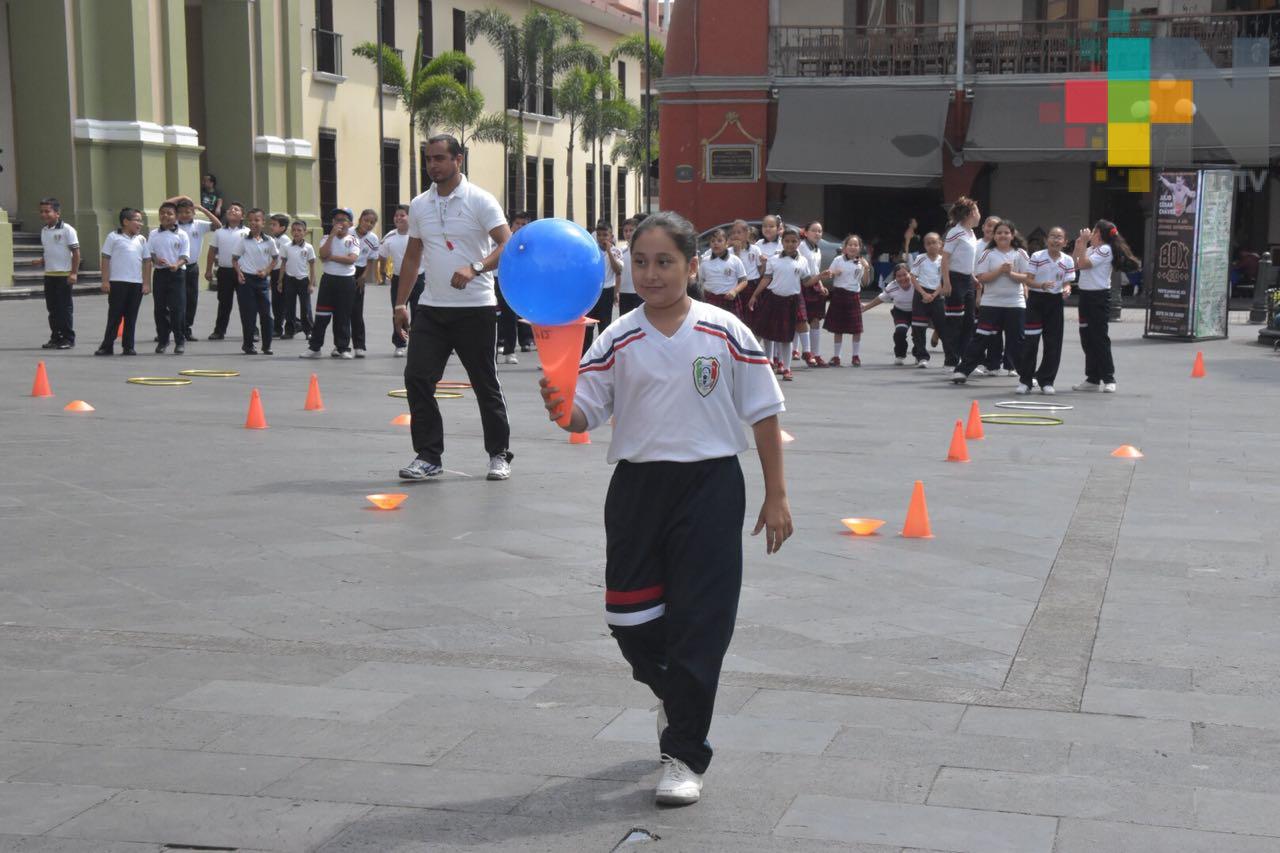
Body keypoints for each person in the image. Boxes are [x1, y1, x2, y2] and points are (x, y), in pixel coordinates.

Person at [538, 210, 791, 807]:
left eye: (665, 262)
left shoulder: (725, 331)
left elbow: (763, 413)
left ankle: (684, 754)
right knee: (628, 620)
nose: (651, 274)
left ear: (692, 265)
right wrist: (559, 405)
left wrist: (776, 495)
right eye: (642, 262)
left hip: (710, 487)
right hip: (637, 489)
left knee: (703, 624)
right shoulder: (618, 334)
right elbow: (585, 412)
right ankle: (676, 697)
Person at [393, 133, 514, 482]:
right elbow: (414, 254)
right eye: (429, 158)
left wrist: (475, 267)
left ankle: (498, 454)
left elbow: (508, 244)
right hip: (432, 307)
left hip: (476, 307)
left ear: (458, 160)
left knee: (484, 381)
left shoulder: (480, 200)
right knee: (416, 377)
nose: (433, 165)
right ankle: (429, 455)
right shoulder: (419, 204)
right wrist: (401, 302)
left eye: (439, 158)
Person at [951, 219, 1030, 385]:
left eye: (1006, 233)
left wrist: (1011, 274)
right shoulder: (988, 253)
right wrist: (1000, 270)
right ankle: (962, 371)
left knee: (1017, 340)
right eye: (999, 233)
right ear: (994, 236)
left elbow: (1029, 277)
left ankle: (1027, 376)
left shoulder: (1020, 253)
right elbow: (981, 278)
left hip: (1015, 304)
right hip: (991, 303)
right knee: (981, 337)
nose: (1003, 235)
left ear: (1012, 235)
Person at [1072, 219, 1136, 393]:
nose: (1090, 233)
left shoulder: (1105, 249)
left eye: (1093, 230)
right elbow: (1077, 264)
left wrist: (1084, 243)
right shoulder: (1092, 249)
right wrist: (1080, 245)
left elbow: (1085, 264)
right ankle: (1092, 378)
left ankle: (1109, 377)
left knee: (1099, 337)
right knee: (1086, 336)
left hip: (1098, 297)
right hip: (1085, 295)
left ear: (1099, 233)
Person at [748, 227, 813, 381]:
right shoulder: (774, 259)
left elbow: (807, 281)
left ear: (799, 243)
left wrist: (821, 278)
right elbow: (766, 278)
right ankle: (756, 362)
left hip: (791, 301)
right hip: (772, 299)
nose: (790, 244)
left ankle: (787, 368)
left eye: (794, 241)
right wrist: (754, 295)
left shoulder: (802, 261)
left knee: (786, 337)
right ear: (782, 242)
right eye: (787, 241)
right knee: (762, 331)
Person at [1020, 226, 1074, 395]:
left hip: (1055, 302)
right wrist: (1041, 285)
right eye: (1052, 236)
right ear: (1046, 240)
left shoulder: (1068, 260)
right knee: (1031, 342)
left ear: (1064, 242)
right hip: (1036, 301)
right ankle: (1025, 381)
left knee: (1053, 343)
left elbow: (1067, 282)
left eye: (1059, 237)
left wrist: (1067, 289)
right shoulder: (1037, 256)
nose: (1055, 240)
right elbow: (1028, 281)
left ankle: (1047, 380)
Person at [301, 208, 360, 359]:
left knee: (343, 316)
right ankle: (315, 348)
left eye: (343, 220)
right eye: (337, 220)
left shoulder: (353, 240)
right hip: (328, 280)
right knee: (322, 315)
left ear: (350, 223)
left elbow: (351, 260)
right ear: (333, 223)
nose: (340, 223)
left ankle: (342, 348)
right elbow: (322, 254)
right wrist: (332, 236)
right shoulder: (326, 238)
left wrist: (331, 257)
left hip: (346, 281)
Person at [94, 208, 150, 356]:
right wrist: (105, 281)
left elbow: (147, 262)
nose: (140, 223)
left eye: (141, 220)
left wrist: (146, 283)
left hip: (136, 283)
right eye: (137, 220)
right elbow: (105, 259)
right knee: (115, 315)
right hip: (117, 282)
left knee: (131, 316)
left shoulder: (141, 239)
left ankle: (128, 346)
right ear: (125, 222)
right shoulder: (113, 237)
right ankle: (107, 345)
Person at [172, 196, 220, 343]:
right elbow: (166, 204)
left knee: (191, 299)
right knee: (174, 300)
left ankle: (187, 329)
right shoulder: (173, 225)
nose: (184, 215)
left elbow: (218, 225)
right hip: (176, 267)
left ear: (193, 213)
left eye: (188, 212)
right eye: (181, 212)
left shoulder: (199, 225)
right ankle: (170, 329)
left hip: (192, 267)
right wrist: (181, 198)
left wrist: (203, 209)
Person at [940, 196, 982, 367]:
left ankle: (964, 362)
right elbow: (945, 259)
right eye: (977, 211)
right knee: (954, 322)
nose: (980, 215)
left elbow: (965, 260)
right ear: (970, 213)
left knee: (969, 322)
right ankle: (950, 361)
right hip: (955, 279)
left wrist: (973, 278)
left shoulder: (971, 233)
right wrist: (947, 282)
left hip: (967, 281)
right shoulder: (955, 232)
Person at [33, 197, 80, 349]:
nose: (44, 214)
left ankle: (68, 338)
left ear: (57, 213)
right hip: (50, 275)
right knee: (52, 309)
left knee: (64, 308)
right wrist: (42, 260)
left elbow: (76, 252)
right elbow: (52, 250)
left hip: (64, 275)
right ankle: (56, 337)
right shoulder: (44, 230)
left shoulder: (68, 230)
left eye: (48, 211)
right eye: (41, 211)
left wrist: (73, 273)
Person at [231, 208, 279, 355]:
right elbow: (234, 259)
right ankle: (248, 344)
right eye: (251, 220)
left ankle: (267, 345)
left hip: (262, 280)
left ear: (263, 222)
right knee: (248, 314)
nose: (253, 223)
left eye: (257, 220)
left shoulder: (269, 241)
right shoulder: (243, 240)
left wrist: (266, 271)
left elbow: (275, 258)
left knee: (266, 314)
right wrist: (239, 273)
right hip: (247, 280)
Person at [380, 204, 425, 357]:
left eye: (402, 215)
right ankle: (400, 343)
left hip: (419, 277)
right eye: (396, 215)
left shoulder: (418, 235)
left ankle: (418, 343)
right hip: (398, 279)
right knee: (398, 310)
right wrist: (387, 273)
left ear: (410, 218)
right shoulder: (390, 237)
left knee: (419, 311)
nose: (398, 218)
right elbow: (383, 256)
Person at [148, 200, 192, 355]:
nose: (165, 216)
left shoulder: (182, 234)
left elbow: (185, 256)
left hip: (177, 274)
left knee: (177, 308)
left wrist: (177, 265)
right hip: (160, 274)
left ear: (176, 217)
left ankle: (180, 340)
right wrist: (155, 260)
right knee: (159, 309)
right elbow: (150, 253)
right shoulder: (153, 233)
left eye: (169, 213)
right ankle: (163, 340)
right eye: (162, 213)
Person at [820, 234, 870, 366]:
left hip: (853, 296)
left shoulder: (861, 263)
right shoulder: (838, 260)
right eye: (850, 244)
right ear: (844, 247)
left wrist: (866, 268)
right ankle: (836, 356)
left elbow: (865, 282)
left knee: (857, 329)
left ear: (859, 248)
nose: (853, 247)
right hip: (839, 295)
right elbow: (828, 274)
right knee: (838, 329)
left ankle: (855, 356)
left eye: (856, 245)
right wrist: (835, 273)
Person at [206, 202, 248, 340]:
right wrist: (208, 270)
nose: (232, 211)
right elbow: (212, 251)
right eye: (230, 209)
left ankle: (252, 330)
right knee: (224, 303)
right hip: (224, 272)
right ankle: (219, 331)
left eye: (236, 209)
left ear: (242, 216)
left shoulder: (247, 232)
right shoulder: (219, 232)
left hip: (243, 272)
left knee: (246, 303)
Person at [496, 210, 533, 363]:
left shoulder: (530, 243)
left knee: (511, 316)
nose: (520, 227)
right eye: (517, 223)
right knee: (495, 316)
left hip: (515, 283)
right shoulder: (504, 239)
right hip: (496, 279)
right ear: (511, 226)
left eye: (524, 224)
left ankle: (510, 352)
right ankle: (498, 344)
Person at [861, 263, 916, 364]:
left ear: (910, 274)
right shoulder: (892, 287)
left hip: (917, 311)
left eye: (905, 275)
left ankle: (919, 355)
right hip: (900, 312)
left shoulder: (917, 283)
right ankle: (900, 355)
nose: (902, 278)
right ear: (895, 278)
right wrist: (866, 307)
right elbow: (880, 299)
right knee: (900, 332)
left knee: (918, 333)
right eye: (899, 276)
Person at [585, 219, 624, 351]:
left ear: (611, 236)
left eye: (605, 235)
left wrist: (609, 252)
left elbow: (618, 270)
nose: (602, 238)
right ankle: (585, 354)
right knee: (588, 325)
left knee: (604, 326)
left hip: (607, 291)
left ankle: (603, 354)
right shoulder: (591, 250)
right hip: (592, 291)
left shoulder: (616, 252)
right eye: (599, 235)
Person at [909, 232, 946, 367]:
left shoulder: (943, 260)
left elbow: (944, 280)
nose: (932, 245)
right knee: (918, 327)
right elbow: (913, 277)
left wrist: (935, 294)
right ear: (924, 246)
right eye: (928, 243)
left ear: (940, 244)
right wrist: (924, 294)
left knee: (942, 326)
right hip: (921, 293)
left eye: (934, 242)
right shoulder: (920, 258)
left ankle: (951, 357)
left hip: (937, 295)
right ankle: (922, 357)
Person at [697, 228, 748, 316]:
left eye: (719, 241)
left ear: (727, 243)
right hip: (710, 300)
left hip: (729, 300)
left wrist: (735, 291)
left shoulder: (735, 260)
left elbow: (744, 280)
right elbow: (701, 281)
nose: (715, 243)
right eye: (713, 241)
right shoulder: (705, 261)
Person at [279, 219, 317, 340]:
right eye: (294, 230)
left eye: (299, 230)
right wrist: (280, 281)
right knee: (289, 307)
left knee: (306, 307)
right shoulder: (286, 247)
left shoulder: (308, 248)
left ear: (305, 232)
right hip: (289, 279)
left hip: (303, 280)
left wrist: (311, 284)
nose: (296, 233)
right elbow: (283, 264)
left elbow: (312, 266)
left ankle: (309, 330)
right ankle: (290, 330)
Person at [351, 209, 379, 358]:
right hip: (345, 270)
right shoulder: (348, 233)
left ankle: (359, 345)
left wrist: (364, 276)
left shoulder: (373, 239)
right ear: (360, 219)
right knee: (341, 311)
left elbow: (371, 259)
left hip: (360, 271)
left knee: (357, 310)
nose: (368, 224)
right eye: (366, 220)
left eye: (372, 222)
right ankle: (340, 345)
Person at [729, 219, 763, 325]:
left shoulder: (755, 249)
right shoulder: (729, 251)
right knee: (738, 317)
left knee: (752, 317)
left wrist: (764, 263)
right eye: (733, 233)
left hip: (752, 284)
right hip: (736, 285)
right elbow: (734, 270)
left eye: (739, 232)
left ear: (747, 233)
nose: (736, 235)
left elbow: (760, 271)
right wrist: (737, 253)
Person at [268, 213, 291, 338]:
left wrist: (280, 279)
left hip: (281, 273)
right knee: (278, 302)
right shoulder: (275, 239)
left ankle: (278, 328)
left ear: (282, 228)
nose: (271, 227)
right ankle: (295, 323)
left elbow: (282, 260)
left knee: (279, 302)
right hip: (275, 272)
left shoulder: (284, 240)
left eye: (274, 225)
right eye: (271, 224)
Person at [616, 216, 642, 316]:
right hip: (624, 293)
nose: (628, 233)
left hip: (639, 292)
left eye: (631, 230)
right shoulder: (621, 250)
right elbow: (618, 272)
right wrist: (617, 291)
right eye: (625, 231)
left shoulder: (643, 250)